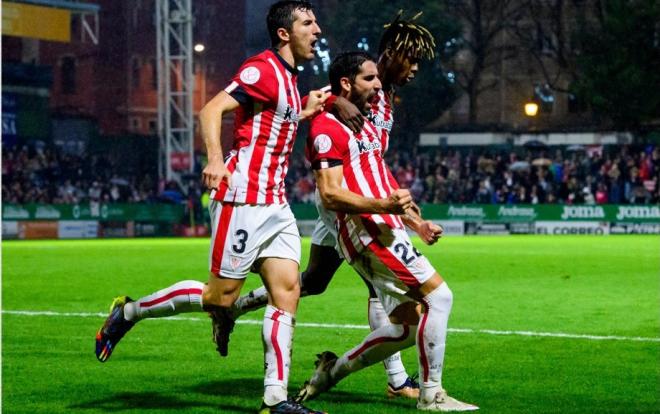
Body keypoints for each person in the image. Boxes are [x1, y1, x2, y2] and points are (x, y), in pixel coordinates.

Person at [95, 2, 327, 413]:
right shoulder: (262, 68)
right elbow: (211, 109)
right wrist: (216, 158)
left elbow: (271, 124)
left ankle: (276, 399)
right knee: (221, 299)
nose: (317, 29)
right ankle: (128, 312)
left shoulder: (291, 80)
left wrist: (304, 112)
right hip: (242, 199)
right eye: (308, 23)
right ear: (283, 34)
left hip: (275, 201)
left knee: (288, 290)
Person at [228, 12, 438, 399]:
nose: (415, 68)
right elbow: (317, 104)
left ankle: (240, 305)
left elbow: (372, 155)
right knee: (380, 286)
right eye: (412, 59)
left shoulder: (385, 98)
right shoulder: (355, 87)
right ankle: (398, 381)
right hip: (344, 203)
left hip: (356, 198)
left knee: (314, 281)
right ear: (392, 54)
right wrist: (336, 102)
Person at [295, 51, 478, 412]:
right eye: (370, 78)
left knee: (407, 327)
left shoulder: (372, 117)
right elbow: (330, 194)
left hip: (387, 227)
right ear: (347, 83)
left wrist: (416, 222)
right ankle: (432, 394)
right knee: (439, 298)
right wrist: (385, 209)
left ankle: (331, 372)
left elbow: (381, 179)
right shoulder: (326, 126)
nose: (379, 84)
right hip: (366, 233)